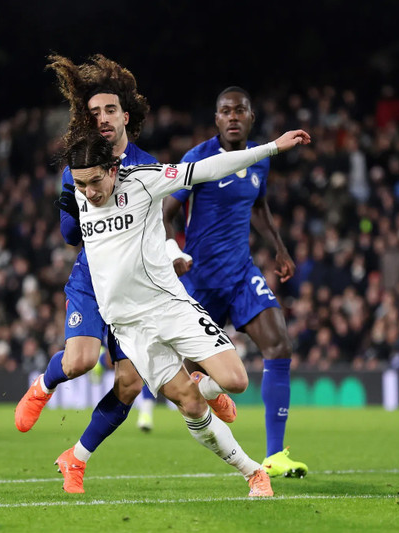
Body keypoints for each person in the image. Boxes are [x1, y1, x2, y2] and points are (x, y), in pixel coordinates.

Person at [58, 120, 310, 496]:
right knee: (190, 406)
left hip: (170, 305)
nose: (89, 193)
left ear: (113, 169)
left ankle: (202, 383)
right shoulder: (80, 193)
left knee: (236, 381)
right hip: (130, 327)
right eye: (80, 184)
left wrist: (271, 147)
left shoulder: (144, 180)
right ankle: (252, 472)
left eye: (95, 182)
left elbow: (208, 168)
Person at [14, 56, 230, 492]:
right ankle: (43, 384)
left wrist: (171, 251)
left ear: (125, 115)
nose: (103, 119)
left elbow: (157, 229)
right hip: (94, 281)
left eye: (110, 110)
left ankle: (75, 458)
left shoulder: (146, 164)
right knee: (80, 362)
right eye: (94, 113)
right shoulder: (78, 164)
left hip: (135, 291)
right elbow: (70, 235)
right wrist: (73, 202)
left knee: (129, 384)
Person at [162, 87, 308, 478]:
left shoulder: (259, 161)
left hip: (241, 273)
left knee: (279, 344)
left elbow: (258, 205)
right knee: (193, 380)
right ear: (216, 119)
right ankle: (211, 400)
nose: (232, 117)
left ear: (250, 117)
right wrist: (173, 253)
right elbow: (166, 211)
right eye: (225, 111)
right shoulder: (198, 159)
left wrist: (278, 248)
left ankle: (275, 455)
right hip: (200, 279)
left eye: (239, 110)